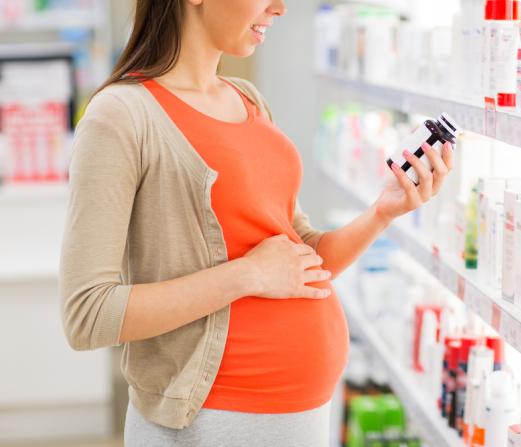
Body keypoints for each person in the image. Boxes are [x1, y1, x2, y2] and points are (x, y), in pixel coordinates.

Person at [59, 0, 453, 445]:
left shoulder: (249, 101)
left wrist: (383, 211)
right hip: (213, 422)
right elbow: (88, 314)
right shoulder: (121, 115)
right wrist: (247, 275)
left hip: (302, 416)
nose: (280, 8)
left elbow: (299, 258)